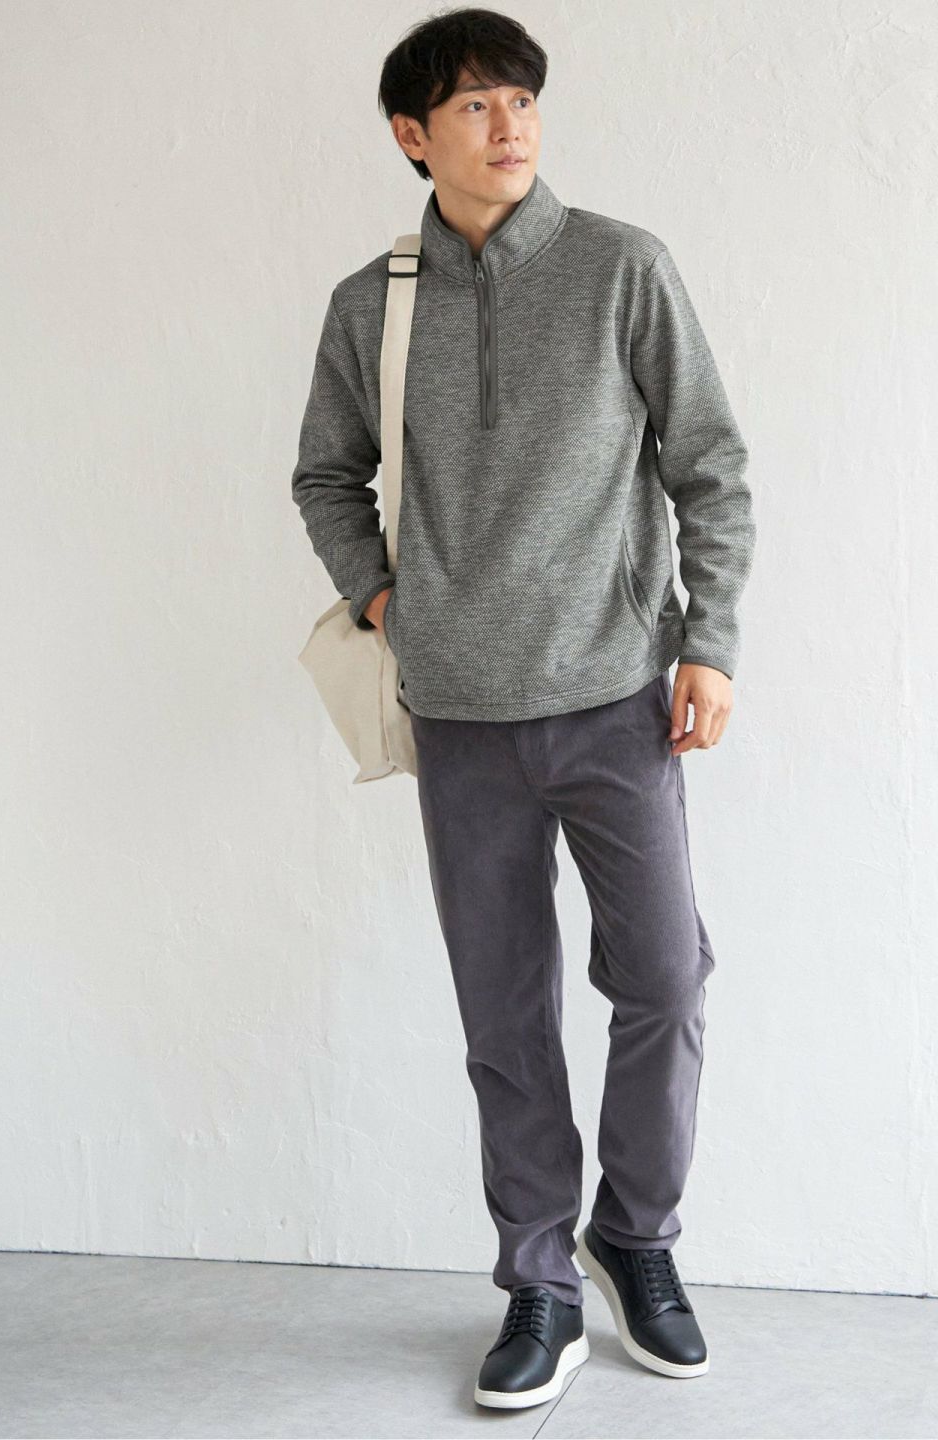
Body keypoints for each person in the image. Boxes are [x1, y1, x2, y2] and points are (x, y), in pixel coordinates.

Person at [291, 6, 756, 1411]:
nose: (510, 128)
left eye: (524, 101)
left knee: (663, 979)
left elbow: (710, 465)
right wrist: (385, 600)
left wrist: (710, 642)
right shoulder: (373, 305)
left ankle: (637, 1237)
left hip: (619, 700)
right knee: (504, 1011)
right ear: (412, 134)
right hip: (461, 717)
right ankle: (539, 1277)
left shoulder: (623, 267)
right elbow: (326, 475)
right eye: (476, 106)